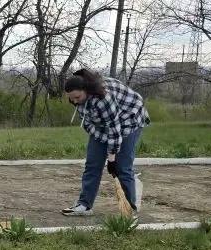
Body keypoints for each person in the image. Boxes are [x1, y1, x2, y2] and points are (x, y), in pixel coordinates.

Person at [61, 69, 147, 216]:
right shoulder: (78, 99)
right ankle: (84, 205)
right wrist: (102, 142)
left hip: (129, 118)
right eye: (71, 98)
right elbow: (88, 124)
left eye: (77, 97)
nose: (74, 101)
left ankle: (130, 209)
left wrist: (112, 159)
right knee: (92, 164)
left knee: (122, 167)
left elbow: (114, 129)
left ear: (86, 90)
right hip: (103, 124)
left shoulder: (103, 98)